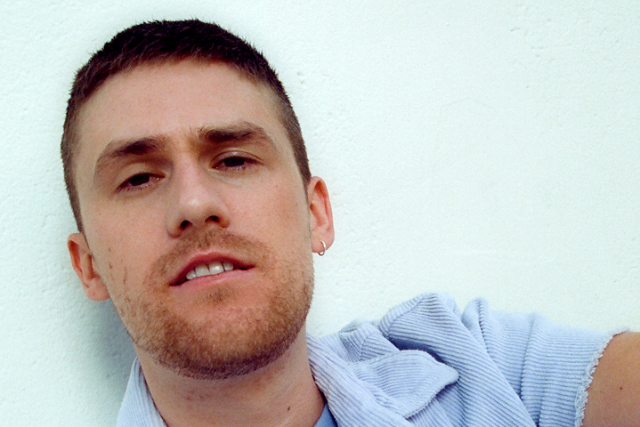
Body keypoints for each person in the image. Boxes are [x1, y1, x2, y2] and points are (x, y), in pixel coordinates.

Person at [62, 19, 639, 427]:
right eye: (138, 178)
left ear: (316, 214)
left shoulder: (477, 361)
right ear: (88, 267)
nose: (193, 203)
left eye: (234, 159)